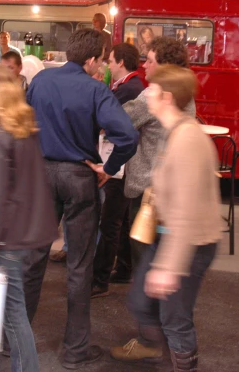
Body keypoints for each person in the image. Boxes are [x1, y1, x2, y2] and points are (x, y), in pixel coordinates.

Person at [24, 28, 138, 369]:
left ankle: (11, 337)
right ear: (90, 59)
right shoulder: (95, 89)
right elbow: (127, 135)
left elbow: (25, 124)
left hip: (42, 175)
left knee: (32, 259)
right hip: (79, 177)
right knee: (79, 266)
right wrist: (108, 167)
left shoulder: (41, 81)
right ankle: (75, 351)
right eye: (101, 60)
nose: (102, 66)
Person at [109, 65, 222, 370]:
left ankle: (183, 362)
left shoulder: (186, 139)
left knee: (175, 318)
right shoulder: (176, 132)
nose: (148, 96)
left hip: (191, 242)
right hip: (168, 236)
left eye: (153, 92)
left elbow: (185, 214)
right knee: (141, 301)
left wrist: (169, 268)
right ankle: (151, 348)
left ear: (167, 97)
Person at [0, 66, 58, 372]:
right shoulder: (22, 131)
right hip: (17, 235)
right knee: (11, 314)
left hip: (0, 240)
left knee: (10, 317)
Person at [117, 37, 195, 282]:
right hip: (173, 187)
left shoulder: (153, 94)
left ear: (164, 66)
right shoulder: (186, 95)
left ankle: (150, 308)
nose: (144, 66)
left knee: (145, 257)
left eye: (150, 61)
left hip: (147, 189)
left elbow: (120, 120)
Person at [92, 42, 145, 298]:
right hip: (124, 163)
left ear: (121, 62)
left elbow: (106, 121)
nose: (108, 65)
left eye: (111, 61)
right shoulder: (129, 87)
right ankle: (124, 268)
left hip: (120, 163)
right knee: (120, 220)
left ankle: (99, 279)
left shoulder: (130, 89)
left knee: (110, 221)